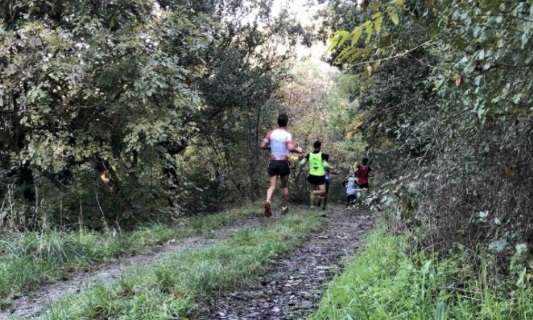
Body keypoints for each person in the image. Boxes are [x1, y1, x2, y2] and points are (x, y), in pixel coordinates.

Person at [261, 113, 302, 217]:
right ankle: (284, 207)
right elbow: (290, 148)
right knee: (284, 186)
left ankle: (268, 201)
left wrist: (270, 147)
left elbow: (262, 146)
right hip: (283, 163)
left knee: (272, 186)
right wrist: (299, 150)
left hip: (273, 162)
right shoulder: (287, 135)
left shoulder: (270, 133)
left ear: (277, 122)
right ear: (286, 123)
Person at [300, 140, 329, 209]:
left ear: (314, 147)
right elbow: (325, 165)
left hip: (311, 175)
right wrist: (329, 167)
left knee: (313, 189)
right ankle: (317, 203)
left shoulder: (309, 155)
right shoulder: (323, 155)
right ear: (320, 147)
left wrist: (303, 169)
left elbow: (301, 163)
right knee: (323, 191)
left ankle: (312, 206)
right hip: (320, 175)